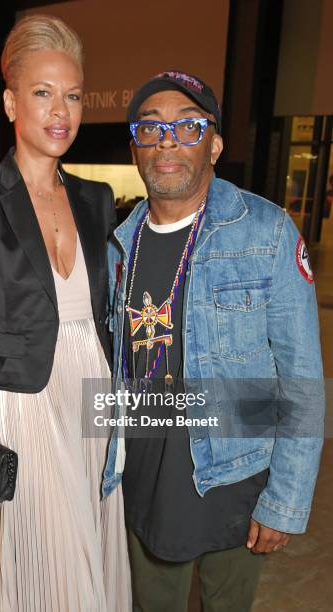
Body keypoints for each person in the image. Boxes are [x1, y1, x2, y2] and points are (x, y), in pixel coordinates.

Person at [103, 71, 324, 611]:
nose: (168, 142)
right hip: (143, 483)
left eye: (189, 127)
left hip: (234, 479)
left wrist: (285, 502)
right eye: (151, 129)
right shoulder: (117, 244)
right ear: (136, 147)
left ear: (215, 145)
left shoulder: (266, 232)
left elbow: (301, 379)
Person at [0, 15, 131, 612]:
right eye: (43, 93)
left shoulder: (96, 199)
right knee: (47, 569)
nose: (61, 110)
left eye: (72, 95)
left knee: (91, 549)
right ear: (10, 100)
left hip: (92, 393)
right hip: (20, 403)